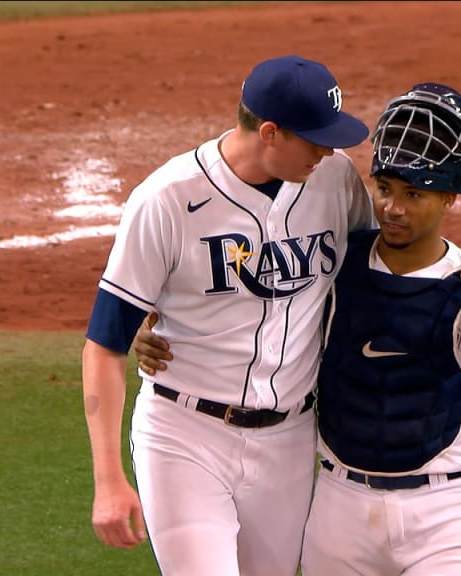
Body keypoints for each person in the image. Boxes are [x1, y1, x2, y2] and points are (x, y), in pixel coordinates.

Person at [137, 83, 461, 575]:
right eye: (385, 189)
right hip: (338, 512)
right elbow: (247, 299)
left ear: (449, 197)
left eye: (414, 194)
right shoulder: (332, 268)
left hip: (445, 515)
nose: (394, 208)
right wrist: (147, 318)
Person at [80, 54, 374, 576]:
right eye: (314, 139)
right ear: (269, 133)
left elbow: (374, 279)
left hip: (290, 438)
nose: (328, 150)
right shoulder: (166, 201)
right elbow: (105, 344)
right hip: (185, 437)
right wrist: (108, 480)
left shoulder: (334, 181)